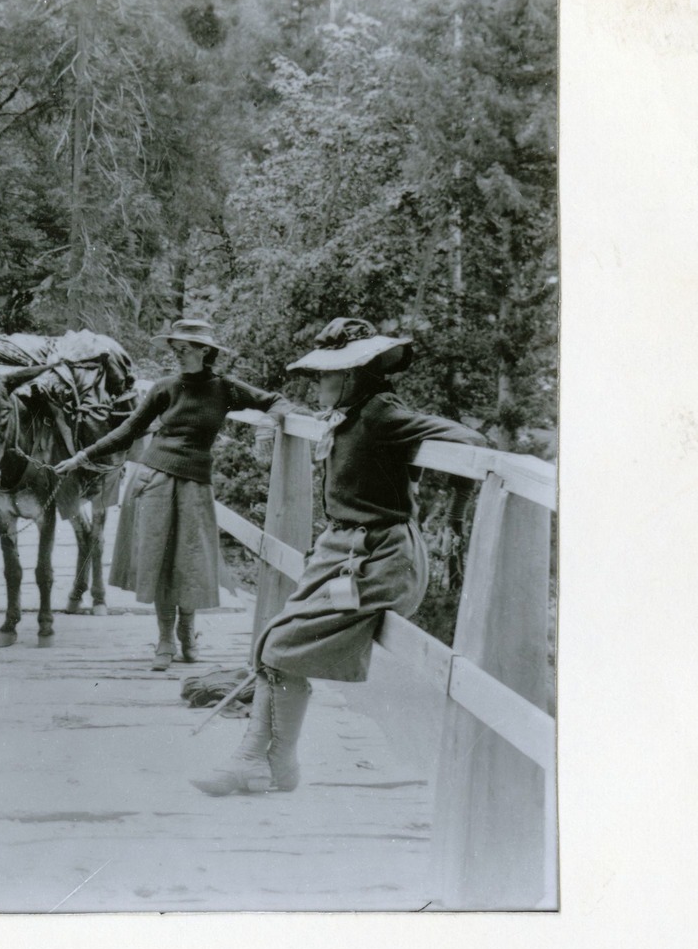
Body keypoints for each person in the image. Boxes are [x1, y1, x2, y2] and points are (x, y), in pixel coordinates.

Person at [191, 319, 486, 797]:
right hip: (340, 551)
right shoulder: (349, 416)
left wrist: (454, 516)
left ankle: (259, 761)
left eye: (327, 375)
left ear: (352, 375)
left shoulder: (381, 414)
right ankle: (270, 765)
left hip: (381, 558)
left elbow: (473, 442)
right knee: (274, 641)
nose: (319, 384)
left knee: (281, 645)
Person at [57, 317, 283, 670]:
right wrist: (83, 455)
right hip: (154, 480)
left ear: (205, 351)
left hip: (195, 484)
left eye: (185, 349)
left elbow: (274, 402)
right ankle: (164, 638)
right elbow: (129, 429)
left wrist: (272, 422)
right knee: (160, 563)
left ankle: (187, 635)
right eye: (175, 349)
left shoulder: (225, 389)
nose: (177, 355)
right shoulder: (164, 387)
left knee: (189, 562)